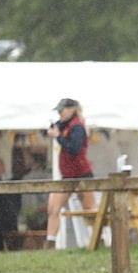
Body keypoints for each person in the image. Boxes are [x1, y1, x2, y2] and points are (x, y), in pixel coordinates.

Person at [45, 98, 97, 248]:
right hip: (67, 176)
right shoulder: (65, 125)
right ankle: (50, 242)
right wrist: (54, 128)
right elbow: (58, 127)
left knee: (90, 210)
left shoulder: (77, 127)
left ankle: (98, 239)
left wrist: (58, 137)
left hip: (81, 175)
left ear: (71, 110)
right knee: (53, 208)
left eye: (62, 111)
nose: (60, 114)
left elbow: (74, 149)